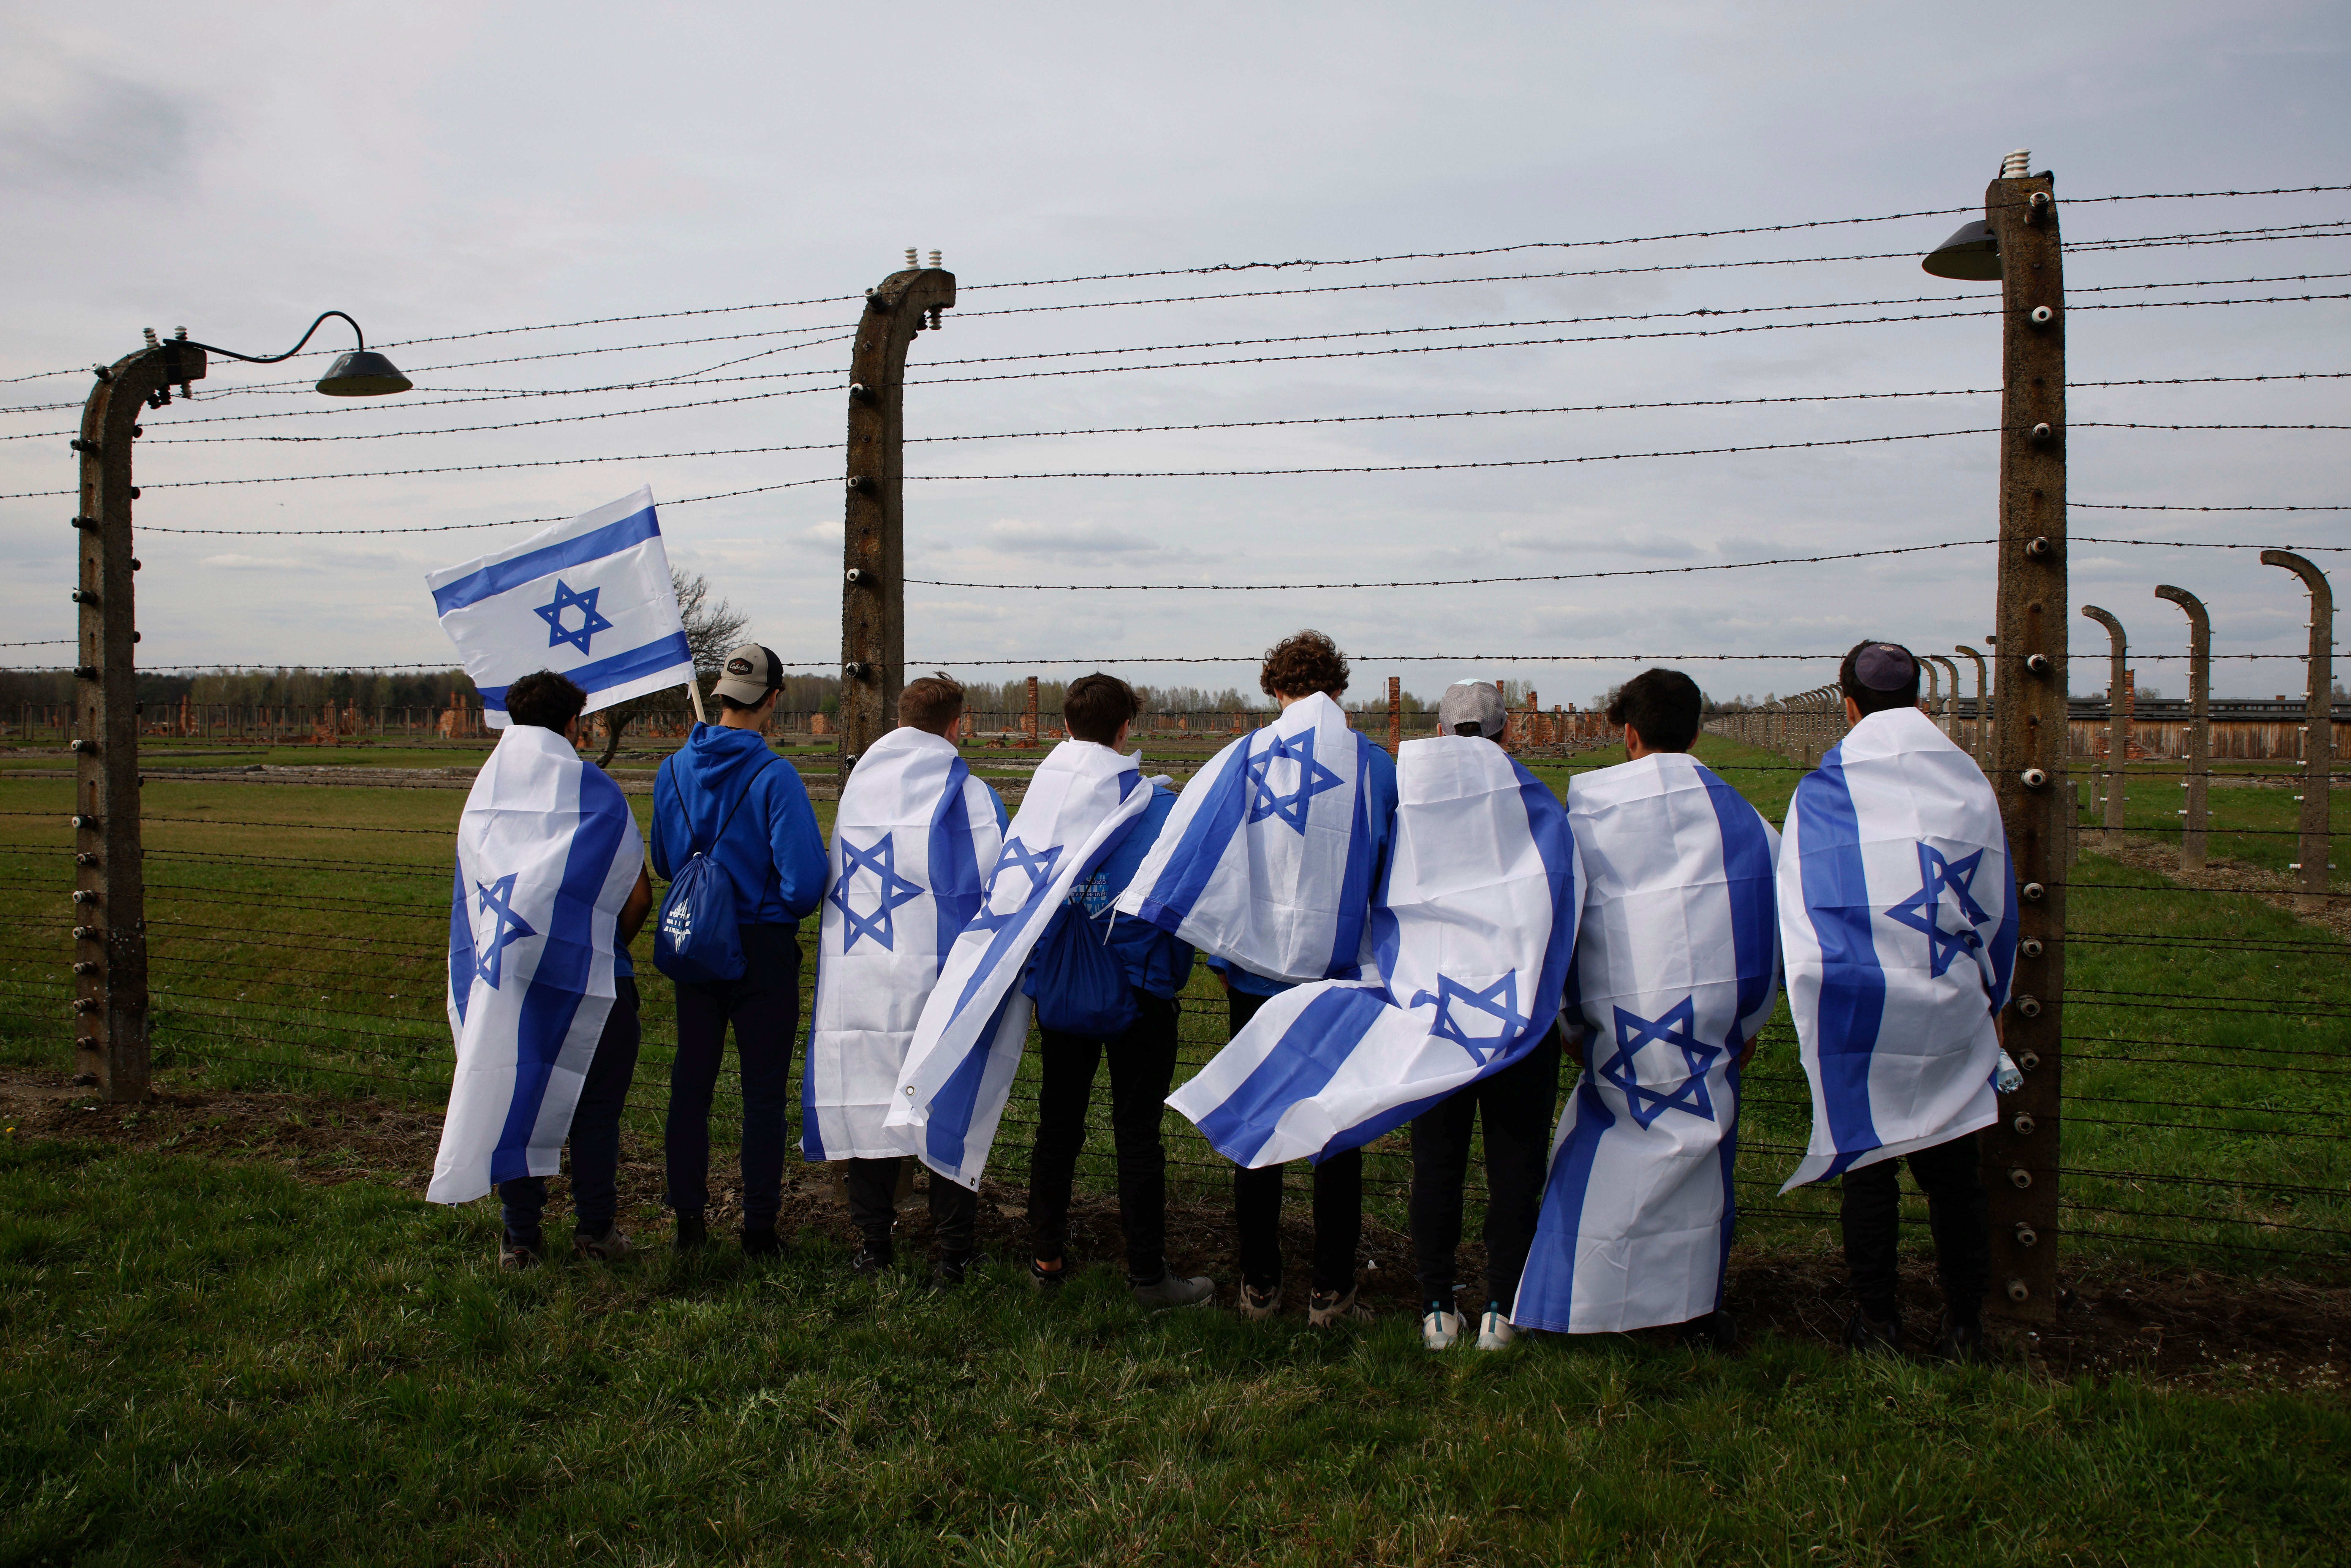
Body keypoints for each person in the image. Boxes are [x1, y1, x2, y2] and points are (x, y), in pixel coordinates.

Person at [1116, 631, 1398, 1326]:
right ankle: (1331, 1292)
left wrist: (1225, 956)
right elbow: (1391, 872)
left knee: (1258, 1126)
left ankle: (1259, 1286)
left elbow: (1215, 859)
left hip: (1253, 983)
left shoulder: (1240, 758)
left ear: (1274, 690)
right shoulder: (1373, 766)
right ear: (1338, 689)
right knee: (1338, 1133)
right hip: (1339, 983)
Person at [1509, 668, 1781, 1351]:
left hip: (1617, 1031)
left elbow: (1564, 922)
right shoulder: (1748, 825)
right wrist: (1746, 1023)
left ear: (1627, 734)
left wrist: (1572, 1022)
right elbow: (1765, 933)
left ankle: (1576, 1304)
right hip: (1703, 1032)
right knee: (1696, 1168)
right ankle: (1687, 1310)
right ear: (1695, 732)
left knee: (1599, 1160)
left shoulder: (1584, 821)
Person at [1777, 641, 2018, 1363]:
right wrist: (1993, 993)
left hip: (1862, 1000)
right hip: (1947, 997)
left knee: (1869, 1164)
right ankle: (1964, 1325)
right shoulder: (1967, 783)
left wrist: (1811, 992)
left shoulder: (1824, 791)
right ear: (1919, 697)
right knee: (1953, 1173)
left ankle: (1876, 1321)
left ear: (1847, 705)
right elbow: (1994, 897)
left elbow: (1803, 901)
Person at [427, 669, 652, 1268]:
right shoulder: (596, 792)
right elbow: (637, 897)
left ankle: (520, 1237)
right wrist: (597, 948)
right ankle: (596, 1232)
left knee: (517, 1094)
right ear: (573, 724)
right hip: (596, 979)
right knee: (595, 1114)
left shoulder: (484, 801)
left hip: (509, 980)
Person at [804, 673, 1007, 1286]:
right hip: (940, 975)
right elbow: (998, 884)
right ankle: (953, 1254)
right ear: (956, 726)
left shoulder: (858, 791)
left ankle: (873, 1246)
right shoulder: (972, 797)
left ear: (899, 720)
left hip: (863, 974)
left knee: (868, 1096)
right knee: (945, 1096)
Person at [1023, 673, 1215, 1309]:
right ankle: (1147, 1275)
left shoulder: (1044, 804)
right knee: (1137, 1134)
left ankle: (1046, 1257)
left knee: (1058, 1124)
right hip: (1141, 992)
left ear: (1065, 728)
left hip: (1065, 985)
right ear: (1126, 728)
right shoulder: (1160, 809)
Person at [1405, 681, 1575, 1351]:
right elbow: (1563, 904)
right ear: (1509, 734)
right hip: (1520, 1012)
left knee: (1436, 1161)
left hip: (1437, 1010)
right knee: (1514, 1165)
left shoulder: (1411, 806)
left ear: (1439, 735)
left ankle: (1436, 1306)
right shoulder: (1540, 806)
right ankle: (1502, 1307)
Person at [651, 643, 828, 1256]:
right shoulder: (774, 776)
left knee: (691, 1084)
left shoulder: (672, 770)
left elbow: (665, 861)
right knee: (762, 1092)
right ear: (772, 699)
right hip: (759, 944)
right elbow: (803, 885)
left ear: (722, 693)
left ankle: (688, 1224)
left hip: (697, 941)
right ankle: (758, 1228)